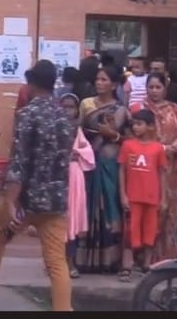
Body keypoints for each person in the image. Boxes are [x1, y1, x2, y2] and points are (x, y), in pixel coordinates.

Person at [0, 59, 74, 311]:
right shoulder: (65, 117)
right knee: (56, 262)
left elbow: (19, 161)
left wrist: (10, 201)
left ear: (32, 83)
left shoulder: (27, 115)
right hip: (56, 201)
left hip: (26, 201)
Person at [74, 65, 129, 275]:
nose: (99, 83)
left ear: (114, 85)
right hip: (88, 162)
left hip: (110, 164)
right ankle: (83, 260)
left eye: (104, 79)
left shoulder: (121, 110)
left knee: (110, 207)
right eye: (98, 79)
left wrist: (113, 135)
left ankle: (110, 260)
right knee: (86, 206)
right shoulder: (87, 105)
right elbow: (78, 131)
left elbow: (130, 140)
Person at [142, 72, 177, 262]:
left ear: (165, 89)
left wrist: (171, 148)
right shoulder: (140, 108)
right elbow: (136, 136)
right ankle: (146, 255)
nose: (154, 91)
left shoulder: (175, 110)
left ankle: (168, 253)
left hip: (171, 167)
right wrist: (156, 150)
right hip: (147, 166)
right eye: (151, 87)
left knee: (169, 206)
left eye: (158, 87)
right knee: (151, 207)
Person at [117, 108, 167, 276]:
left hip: (152, 197)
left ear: (151, 126)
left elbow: (161, 173)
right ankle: (127, 264)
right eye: (134, 124)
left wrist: (163, 198)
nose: (135, 127)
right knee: (130, 231)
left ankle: (147, 264)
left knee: (150, 231)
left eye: (139, 124)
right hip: (133, 196)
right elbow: (122, 170)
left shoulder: (158, 148)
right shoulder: (127, 145)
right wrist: (123, 194)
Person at [62, 93, 94, 279]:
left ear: (77, 110)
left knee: (73, 220)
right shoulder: (54, 127)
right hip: (59, 177)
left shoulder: (78, 130)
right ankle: (56, 262)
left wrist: (77, 154)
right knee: (58, 220)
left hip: (74, 176)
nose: (67, 111)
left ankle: (71, 262)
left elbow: (88, 152)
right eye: (64, 107)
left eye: (71, 107)